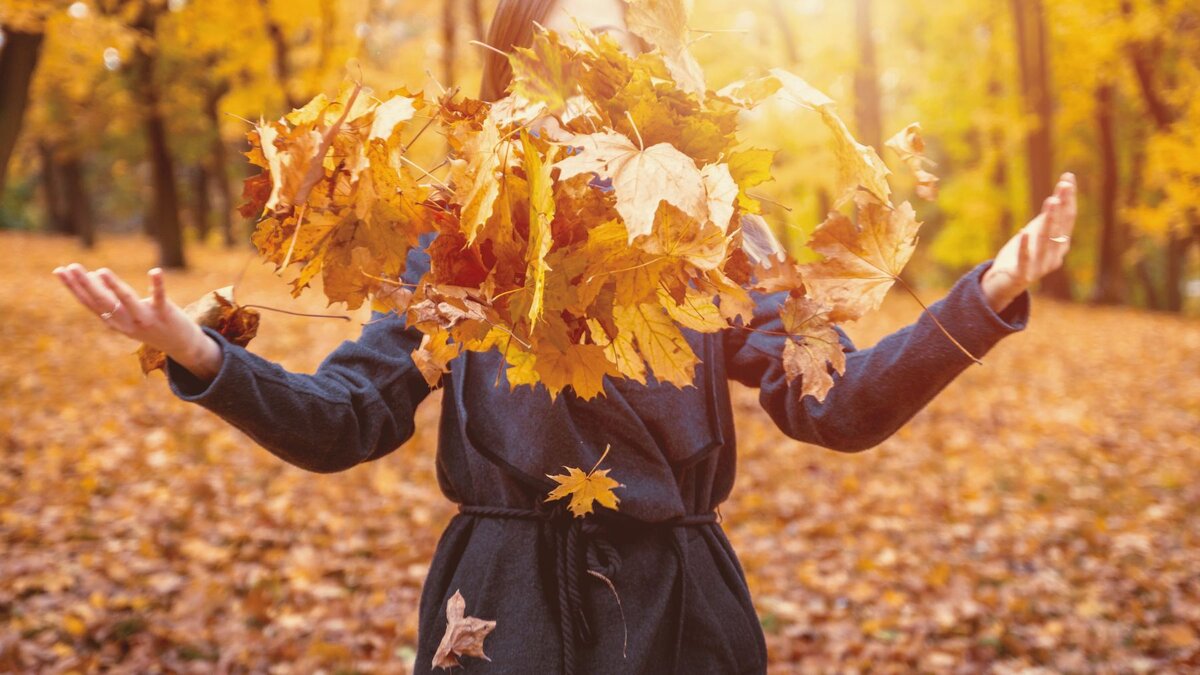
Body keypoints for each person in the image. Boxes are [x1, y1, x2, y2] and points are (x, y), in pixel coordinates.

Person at [51, 0, 1077, 672]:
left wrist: (987, 294)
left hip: (680, 616)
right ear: (519, 65)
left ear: (656, 65)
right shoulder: (450, 233)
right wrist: (200, 355)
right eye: (564, 40)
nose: (593, 64)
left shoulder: (716, 231)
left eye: (622, 37)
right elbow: (346, 422)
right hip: (499, 615)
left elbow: (837, 404)